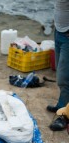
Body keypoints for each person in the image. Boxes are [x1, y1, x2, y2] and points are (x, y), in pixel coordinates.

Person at [47, 0, 69, 131]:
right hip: (59, 31)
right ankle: (62, 105)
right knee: (60, 73)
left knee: (64, 78)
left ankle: (65, 117)